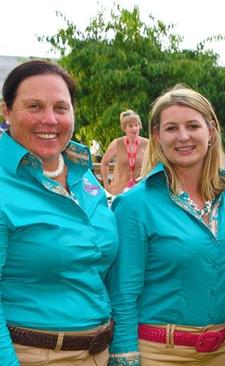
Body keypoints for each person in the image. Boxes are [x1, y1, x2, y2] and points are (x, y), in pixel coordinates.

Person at [107, 86, 225, 366]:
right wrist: (125, 359)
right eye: (171, 128)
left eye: (192, 126)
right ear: (156, 136)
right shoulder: (134, 204)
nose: (183, 136)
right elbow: (123, 294)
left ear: (210, 132)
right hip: (159, 354)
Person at [0, 60, 118, 365]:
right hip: (31, 355)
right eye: (35, 106)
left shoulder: (83, 173)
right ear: (6, 110)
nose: (50, 119)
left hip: (100, 353)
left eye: (61, 108)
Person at [100, 110, 149, 194]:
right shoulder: (117, 143)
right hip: (118, 191)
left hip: (139, 191)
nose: (135, 128)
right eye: (130, 126)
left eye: (137, 125)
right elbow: (104, 163)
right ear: (124, 128)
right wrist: (106, 186)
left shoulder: (147, 143)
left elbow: (154, 165)